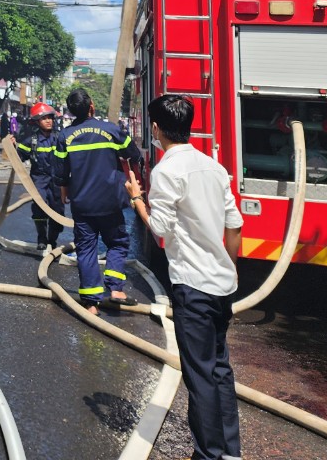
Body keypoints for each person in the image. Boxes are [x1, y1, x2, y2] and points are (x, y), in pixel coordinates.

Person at [126, 94, 243, 460]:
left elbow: (160, 230)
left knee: (200, 376)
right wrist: (230, 268)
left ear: (156, 128)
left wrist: (137, 200)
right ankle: (230, 451)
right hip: (222, 285)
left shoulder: (166, 171)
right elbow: (235, 225)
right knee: (220, 369)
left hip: (192, 287)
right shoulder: (213, 167)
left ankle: (208, 454)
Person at [54, 87, 142, 313]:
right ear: (91, 105)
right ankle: (115, 289)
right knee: (117, 243)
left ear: (71, 111)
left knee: (86, 249)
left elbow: (61, 171)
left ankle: (91, 302)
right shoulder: (111, 130)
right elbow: (133, 154)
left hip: (82, 202)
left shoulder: (64, 136)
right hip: (110, 201)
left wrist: (64, 191)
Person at [16, 102, 65, 250]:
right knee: (39, 209)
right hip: (39, 179)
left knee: (58, 212)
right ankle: (42, 238)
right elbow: (18, 158)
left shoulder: (60, 137)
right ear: (37, 121)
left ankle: (52, 240)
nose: (48, 121)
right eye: (44, 118)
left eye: (50, 117)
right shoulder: (31, 141)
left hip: (57, 181)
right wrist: (12, 146)